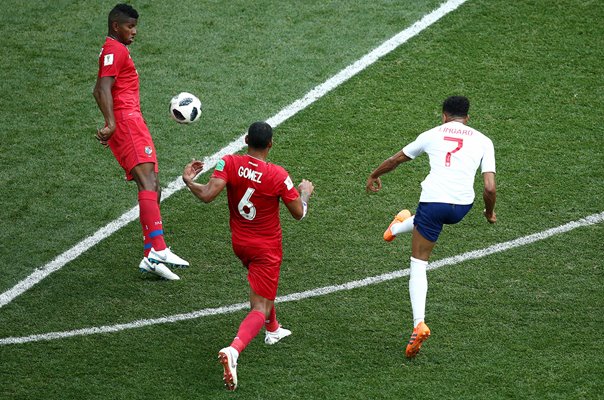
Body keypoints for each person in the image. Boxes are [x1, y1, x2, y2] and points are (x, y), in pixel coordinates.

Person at [182, 121, 314, 391]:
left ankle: (273, 329)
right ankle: (234, 350)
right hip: (266, 248)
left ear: (245, 140)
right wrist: (305, 194)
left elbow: (207, 195)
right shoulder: (278, 175)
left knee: (263, 286)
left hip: (240, 244)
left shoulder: (228, 162)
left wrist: (189, 182)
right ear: (271, 145)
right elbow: (299, 213)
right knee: (259, 306)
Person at [366, 96, 497, 358]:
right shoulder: (484, 140)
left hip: (433, 202)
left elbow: (395, 159)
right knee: (427, 221)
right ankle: (396, 227)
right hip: (461, 208)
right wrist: (490, 213)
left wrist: (374, 175)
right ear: (467, 118)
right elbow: (489, 187)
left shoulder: (432, 134)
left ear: (444, 115)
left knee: (419, 263)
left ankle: (418, 324)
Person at [93, 4, 188, 280]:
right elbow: (101, 89)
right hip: (126, 122)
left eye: (135, 26)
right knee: (148, 184)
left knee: (154, 186)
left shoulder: (117, 49)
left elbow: (102, 88)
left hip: (132, 120)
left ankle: (150, 256)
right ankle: (158, 248)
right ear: (115, 26)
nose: (134, 32)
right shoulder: (114, 49)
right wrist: (111, 123)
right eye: (129, 27)